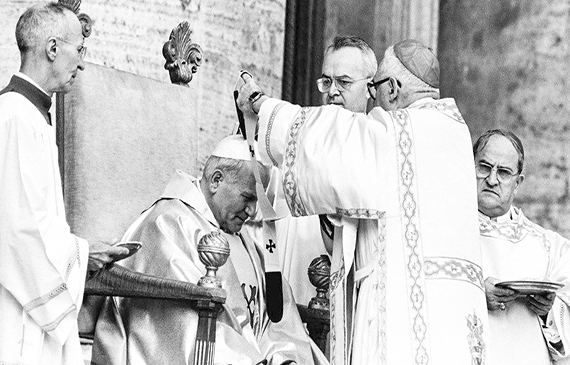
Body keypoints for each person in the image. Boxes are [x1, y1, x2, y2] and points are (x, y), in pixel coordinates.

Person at [236, 39, 489, 365]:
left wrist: (264, 106)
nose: (374, 95)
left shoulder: (402, 133)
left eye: (376, 86)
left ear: (393, 88)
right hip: (451, 324)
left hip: (407, 320)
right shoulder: (451, 132)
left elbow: (336, 144)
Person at [90, 135, 328, 365]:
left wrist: (285, 360)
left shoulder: (242, 238)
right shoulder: (168, 224)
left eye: (258, 201)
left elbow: (275, 316)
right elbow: (180, 326)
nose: (253, 212)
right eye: (248, 198)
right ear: (216, 180)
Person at [0, 3, 128, 364]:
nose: (83, 64)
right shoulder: (14, 117)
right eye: (79, 50)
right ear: (53, 49)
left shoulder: (31, 117)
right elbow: (19, 232)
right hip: (14, 311)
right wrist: (84, 255)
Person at [273, 35, 377, 304]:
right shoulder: (299, 135)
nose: (332, 91)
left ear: (370, 88)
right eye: (326, 81)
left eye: (344, 82)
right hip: (291, 279)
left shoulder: (376, 148)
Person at [474, 129, 570, 364]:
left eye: (504, 172)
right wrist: (474, 291)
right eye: (484, 167)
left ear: (518, 183)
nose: (492, 179)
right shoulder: (444, 235)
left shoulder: (551, 248)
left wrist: (549, 309)